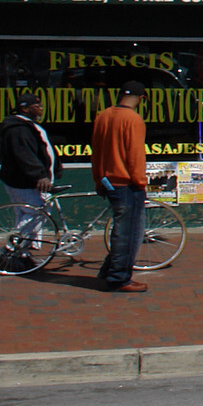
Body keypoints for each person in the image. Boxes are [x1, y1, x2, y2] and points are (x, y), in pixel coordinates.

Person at [91, 80, 150, 293]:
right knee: (129, 233)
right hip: (127, 183)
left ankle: (110, 270)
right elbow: (135, 156)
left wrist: (98, 179)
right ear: (141, 98)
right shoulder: (133, 120)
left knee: (121, 229)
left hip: (108, 181)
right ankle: (119, 278)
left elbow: (96, 152)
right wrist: (140, 181)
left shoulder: (103, 116)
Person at [0, 92, 60, 263]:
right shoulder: (19, 129)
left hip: (25, 181)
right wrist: (40, 175)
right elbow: (25, 155)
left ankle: (22, 254)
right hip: (25, 182)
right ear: (24, 108)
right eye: (36, 106)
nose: (40, 109)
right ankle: (12, 248)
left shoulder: (26, 126)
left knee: (26, 214)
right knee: (38, 212)